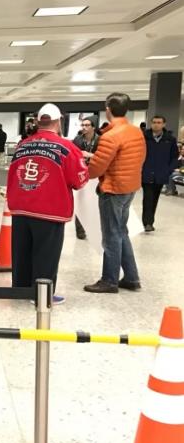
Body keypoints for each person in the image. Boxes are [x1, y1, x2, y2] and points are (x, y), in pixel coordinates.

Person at [7, 103, 88, 303]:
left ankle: (20, 290)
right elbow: (78, 180)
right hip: (49, 210)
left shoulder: (23, 145)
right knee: (46, 254)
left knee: (21, 252)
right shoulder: (67, 147)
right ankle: (41, 296)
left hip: (20, 208)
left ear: (37, 121)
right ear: (58, 122)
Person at [84, 93, 146, 293]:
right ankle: (131, 277)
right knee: (121, 232)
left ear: (108, 109)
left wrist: (88, 166)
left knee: (111, 236)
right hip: (129, 187)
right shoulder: (135, 132)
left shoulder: (110, 136)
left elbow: (97, 169)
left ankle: (109, 280)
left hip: (112, 189)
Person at [141, 115, 178, 232]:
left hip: (161, 174)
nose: (156, 124)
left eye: (159, 122)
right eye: (154, 122)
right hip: (146, 173)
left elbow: (174, 157)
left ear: (164, 124)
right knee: (148, 197)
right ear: (151, 124)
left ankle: (149, 221)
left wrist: (168, 170)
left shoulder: (170, 139)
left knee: (154, 198)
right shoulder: (144, 137)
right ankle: (148, 223)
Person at [71, 118, 99, 239]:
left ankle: (93, 227)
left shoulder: (100, 140)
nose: (84, 127)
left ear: (93, 127)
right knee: (80, 202)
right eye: (83, 125)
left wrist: (90, 155)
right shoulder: (77, 140)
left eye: (87, 125)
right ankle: (80, 230)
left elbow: (105, 156)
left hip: (95, 174)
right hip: (80, 174)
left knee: (93, 202)